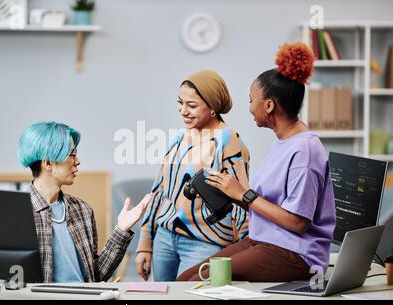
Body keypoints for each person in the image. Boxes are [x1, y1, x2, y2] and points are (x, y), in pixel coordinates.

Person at [177, 43, 336, 282]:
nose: (250, 108)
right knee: (183, 280)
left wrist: (244, 195)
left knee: (200, 281)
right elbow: (268, 206)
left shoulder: (305, 150)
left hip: (295, 253)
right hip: (267, 240)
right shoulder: (283, 142)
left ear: (269, 105)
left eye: (252, 100)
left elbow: (298, 222)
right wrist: (230, 194)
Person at [136, 70, 250, 281]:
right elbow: (159, 189)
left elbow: (242, 198)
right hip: (165, 236)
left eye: (192, 105)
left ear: (213, 107)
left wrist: (243, 248)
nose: (183, 111)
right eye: (180, 103)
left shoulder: (227, 139)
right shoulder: (179, 137)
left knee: (192, 301)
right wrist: (145, 241)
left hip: (205, 242)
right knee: (164, 300)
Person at [17, 121, 152, 283]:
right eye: (72, 154)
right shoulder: (18, 214)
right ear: (48, 163)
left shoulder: (82, 210)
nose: (78, 161)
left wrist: (122, 229)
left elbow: (95, 275)